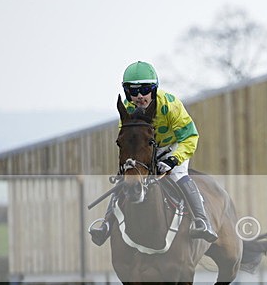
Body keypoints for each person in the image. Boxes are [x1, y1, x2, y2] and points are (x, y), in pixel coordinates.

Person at [88, 61, 218, 245]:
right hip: (144, 151)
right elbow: (126, 138)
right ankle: (106, 225)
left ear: (154, 89)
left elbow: (190, 137)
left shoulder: (170, 105)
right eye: (134, 91)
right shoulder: (127, 109)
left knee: (178, 174)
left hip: (173, 146)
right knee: (126, 178)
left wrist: (174, 159)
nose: (140, 96)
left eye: (145, 89)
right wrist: (128, 163)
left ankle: (201, 221)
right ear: (127, 93)